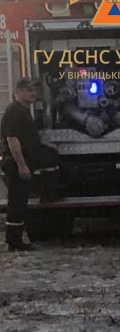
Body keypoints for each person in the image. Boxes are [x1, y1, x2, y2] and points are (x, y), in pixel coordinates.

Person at [2, 77, 57, 251]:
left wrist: (44, 145)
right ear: (18, 92)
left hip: (24, 160)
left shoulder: (23, 111)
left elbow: (28, 137)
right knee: (17, 201)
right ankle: (14, 241)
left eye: (34, 90)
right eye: (29, 91)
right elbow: (12, 139)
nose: (33, 94)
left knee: (51, 156)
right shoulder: (14, 112)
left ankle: (49, 193)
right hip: (15, 162)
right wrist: (21, 165)